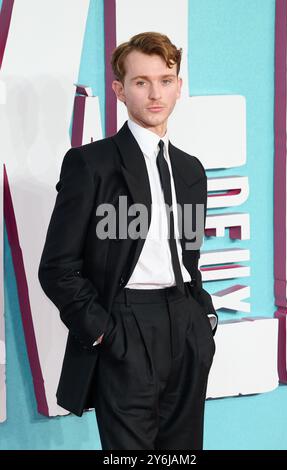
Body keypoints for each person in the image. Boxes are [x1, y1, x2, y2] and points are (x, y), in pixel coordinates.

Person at [38, 31, 218, 450]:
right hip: (125, 327)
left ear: (178, 86)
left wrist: (203, 319)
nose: (155, 93)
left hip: (185, 325)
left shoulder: (191, 170)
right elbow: (57, 267)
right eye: (141, 82)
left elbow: (186, 260)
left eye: (165, 80)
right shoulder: (91, 164)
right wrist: (104, 332)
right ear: (119, 90)